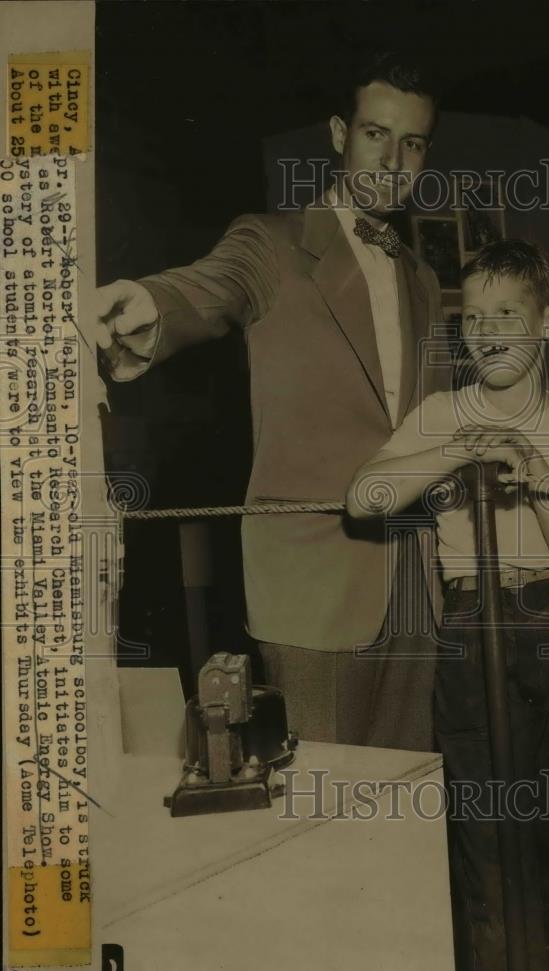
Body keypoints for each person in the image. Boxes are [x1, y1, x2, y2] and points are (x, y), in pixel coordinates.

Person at [95, 51, 451, 750]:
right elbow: (207, 288)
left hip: (413, 586)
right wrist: (146, 304)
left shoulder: (424, 278)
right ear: (338, 134)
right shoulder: (272, 243)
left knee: (405, 816)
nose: (393, 159)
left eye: (412, 143)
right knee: (322, 820)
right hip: (313, 588)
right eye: (376, 133)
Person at [346, 238, 549, 971]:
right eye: (475, 317)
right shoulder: (439, 413)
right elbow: (362, 497)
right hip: (470, 629)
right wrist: (462, 446)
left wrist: (534, 471)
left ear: (548, 323)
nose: (490, 331)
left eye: (509, 313)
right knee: (485, 840)